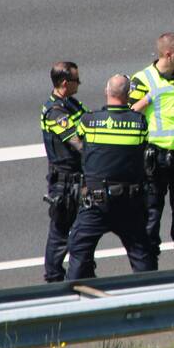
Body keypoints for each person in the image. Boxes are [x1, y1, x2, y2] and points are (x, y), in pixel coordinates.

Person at [67, 75, 157, 280]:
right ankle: (151, 299)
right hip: (129, 203)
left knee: (79, 252)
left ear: (107, 92)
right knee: (142, 255)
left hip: (95, 204)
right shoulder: (139, 123)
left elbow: (76, 141)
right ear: (128, 96)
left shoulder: (89, 121)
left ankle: (71, 303)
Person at [129, 32, 174, 268]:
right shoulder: (143, 79)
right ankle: (149, 262)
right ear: (169, 54)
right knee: (152, 211)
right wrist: (150, 99)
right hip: (157, 156)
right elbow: (130, 113)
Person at [39, 61, 87, 283]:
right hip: (64, 181)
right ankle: (54, 279)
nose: (80, 83)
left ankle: (84, 271)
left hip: (77, 178)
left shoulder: (72, 104)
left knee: (83, 228)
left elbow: (89, 121)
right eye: (77, 80)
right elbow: (76, 142)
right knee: (60, 233)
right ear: (65, 83)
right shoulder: (55, 112)